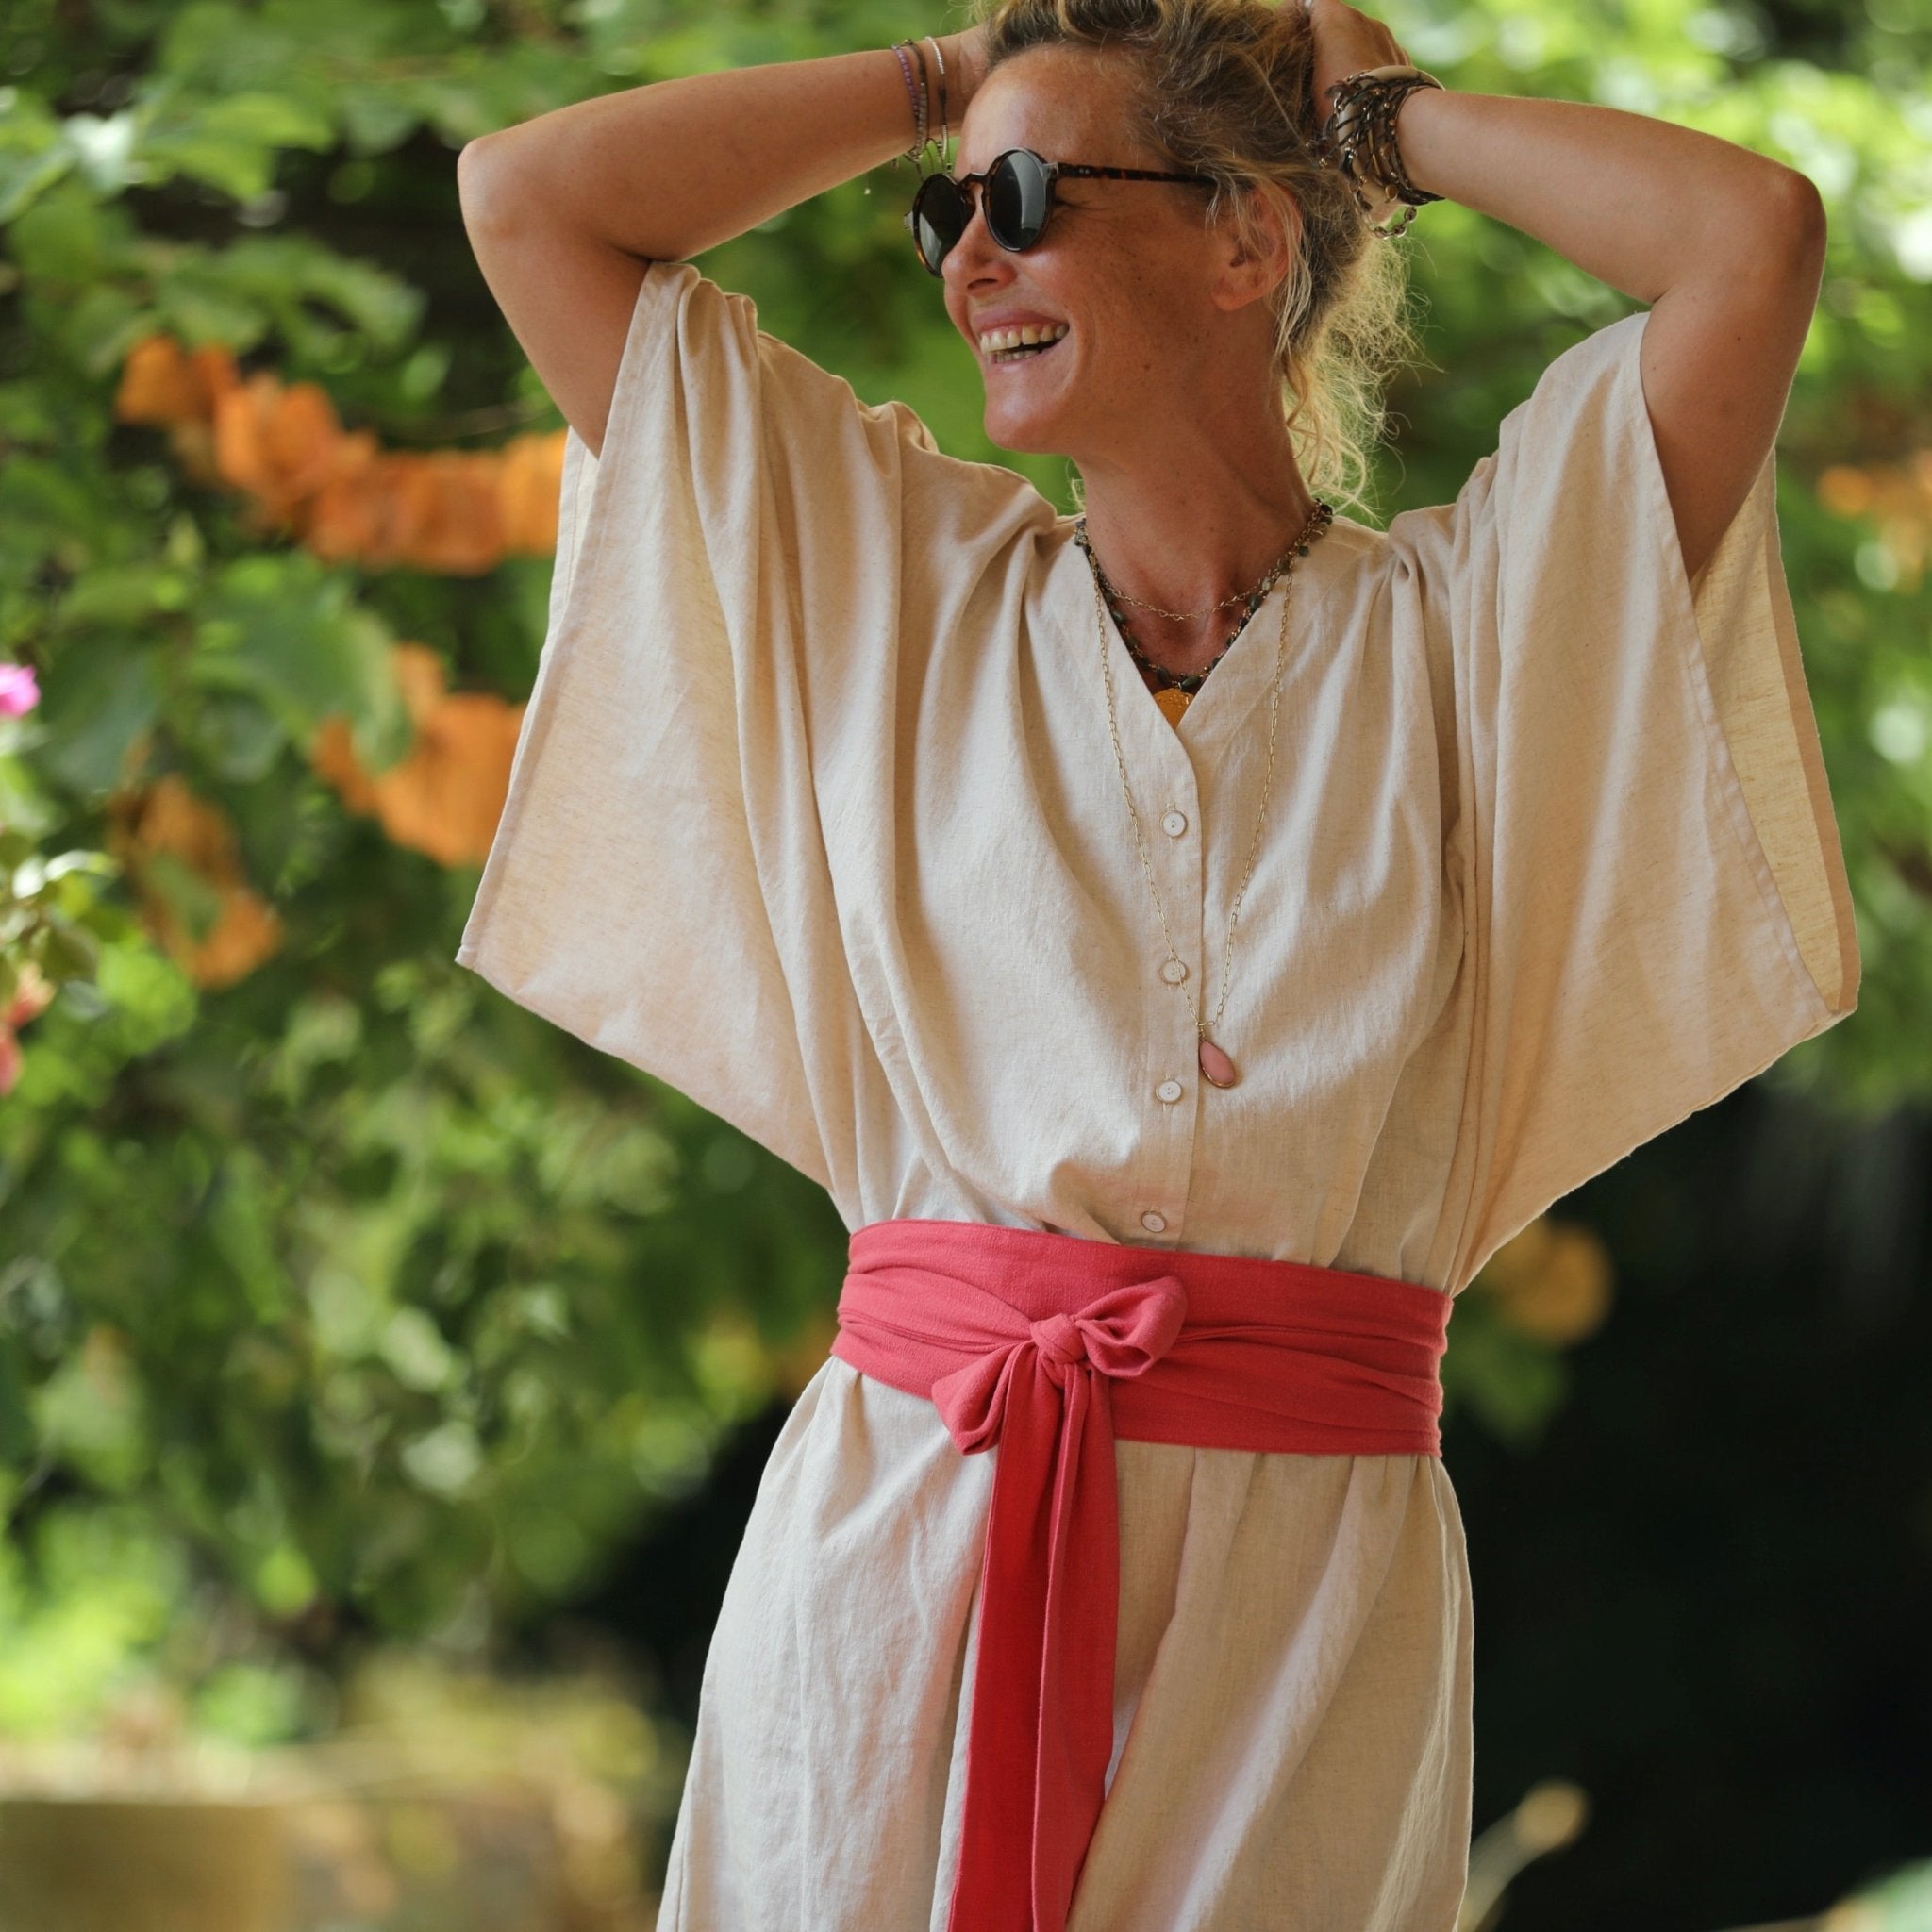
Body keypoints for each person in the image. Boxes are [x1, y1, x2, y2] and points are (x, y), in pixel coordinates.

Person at [453, 0, 1861, 1923]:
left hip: (1309, 1610)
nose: (969, 256)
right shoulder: (883, 589)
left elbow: (1748, 241)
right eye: (947, 210)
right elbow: (529, 200)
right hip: (906, 1550)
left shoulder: (1476, 639)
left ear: (1244, 240)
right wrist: (952, 79)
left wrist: (1380, 126)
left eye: (1029, 197)